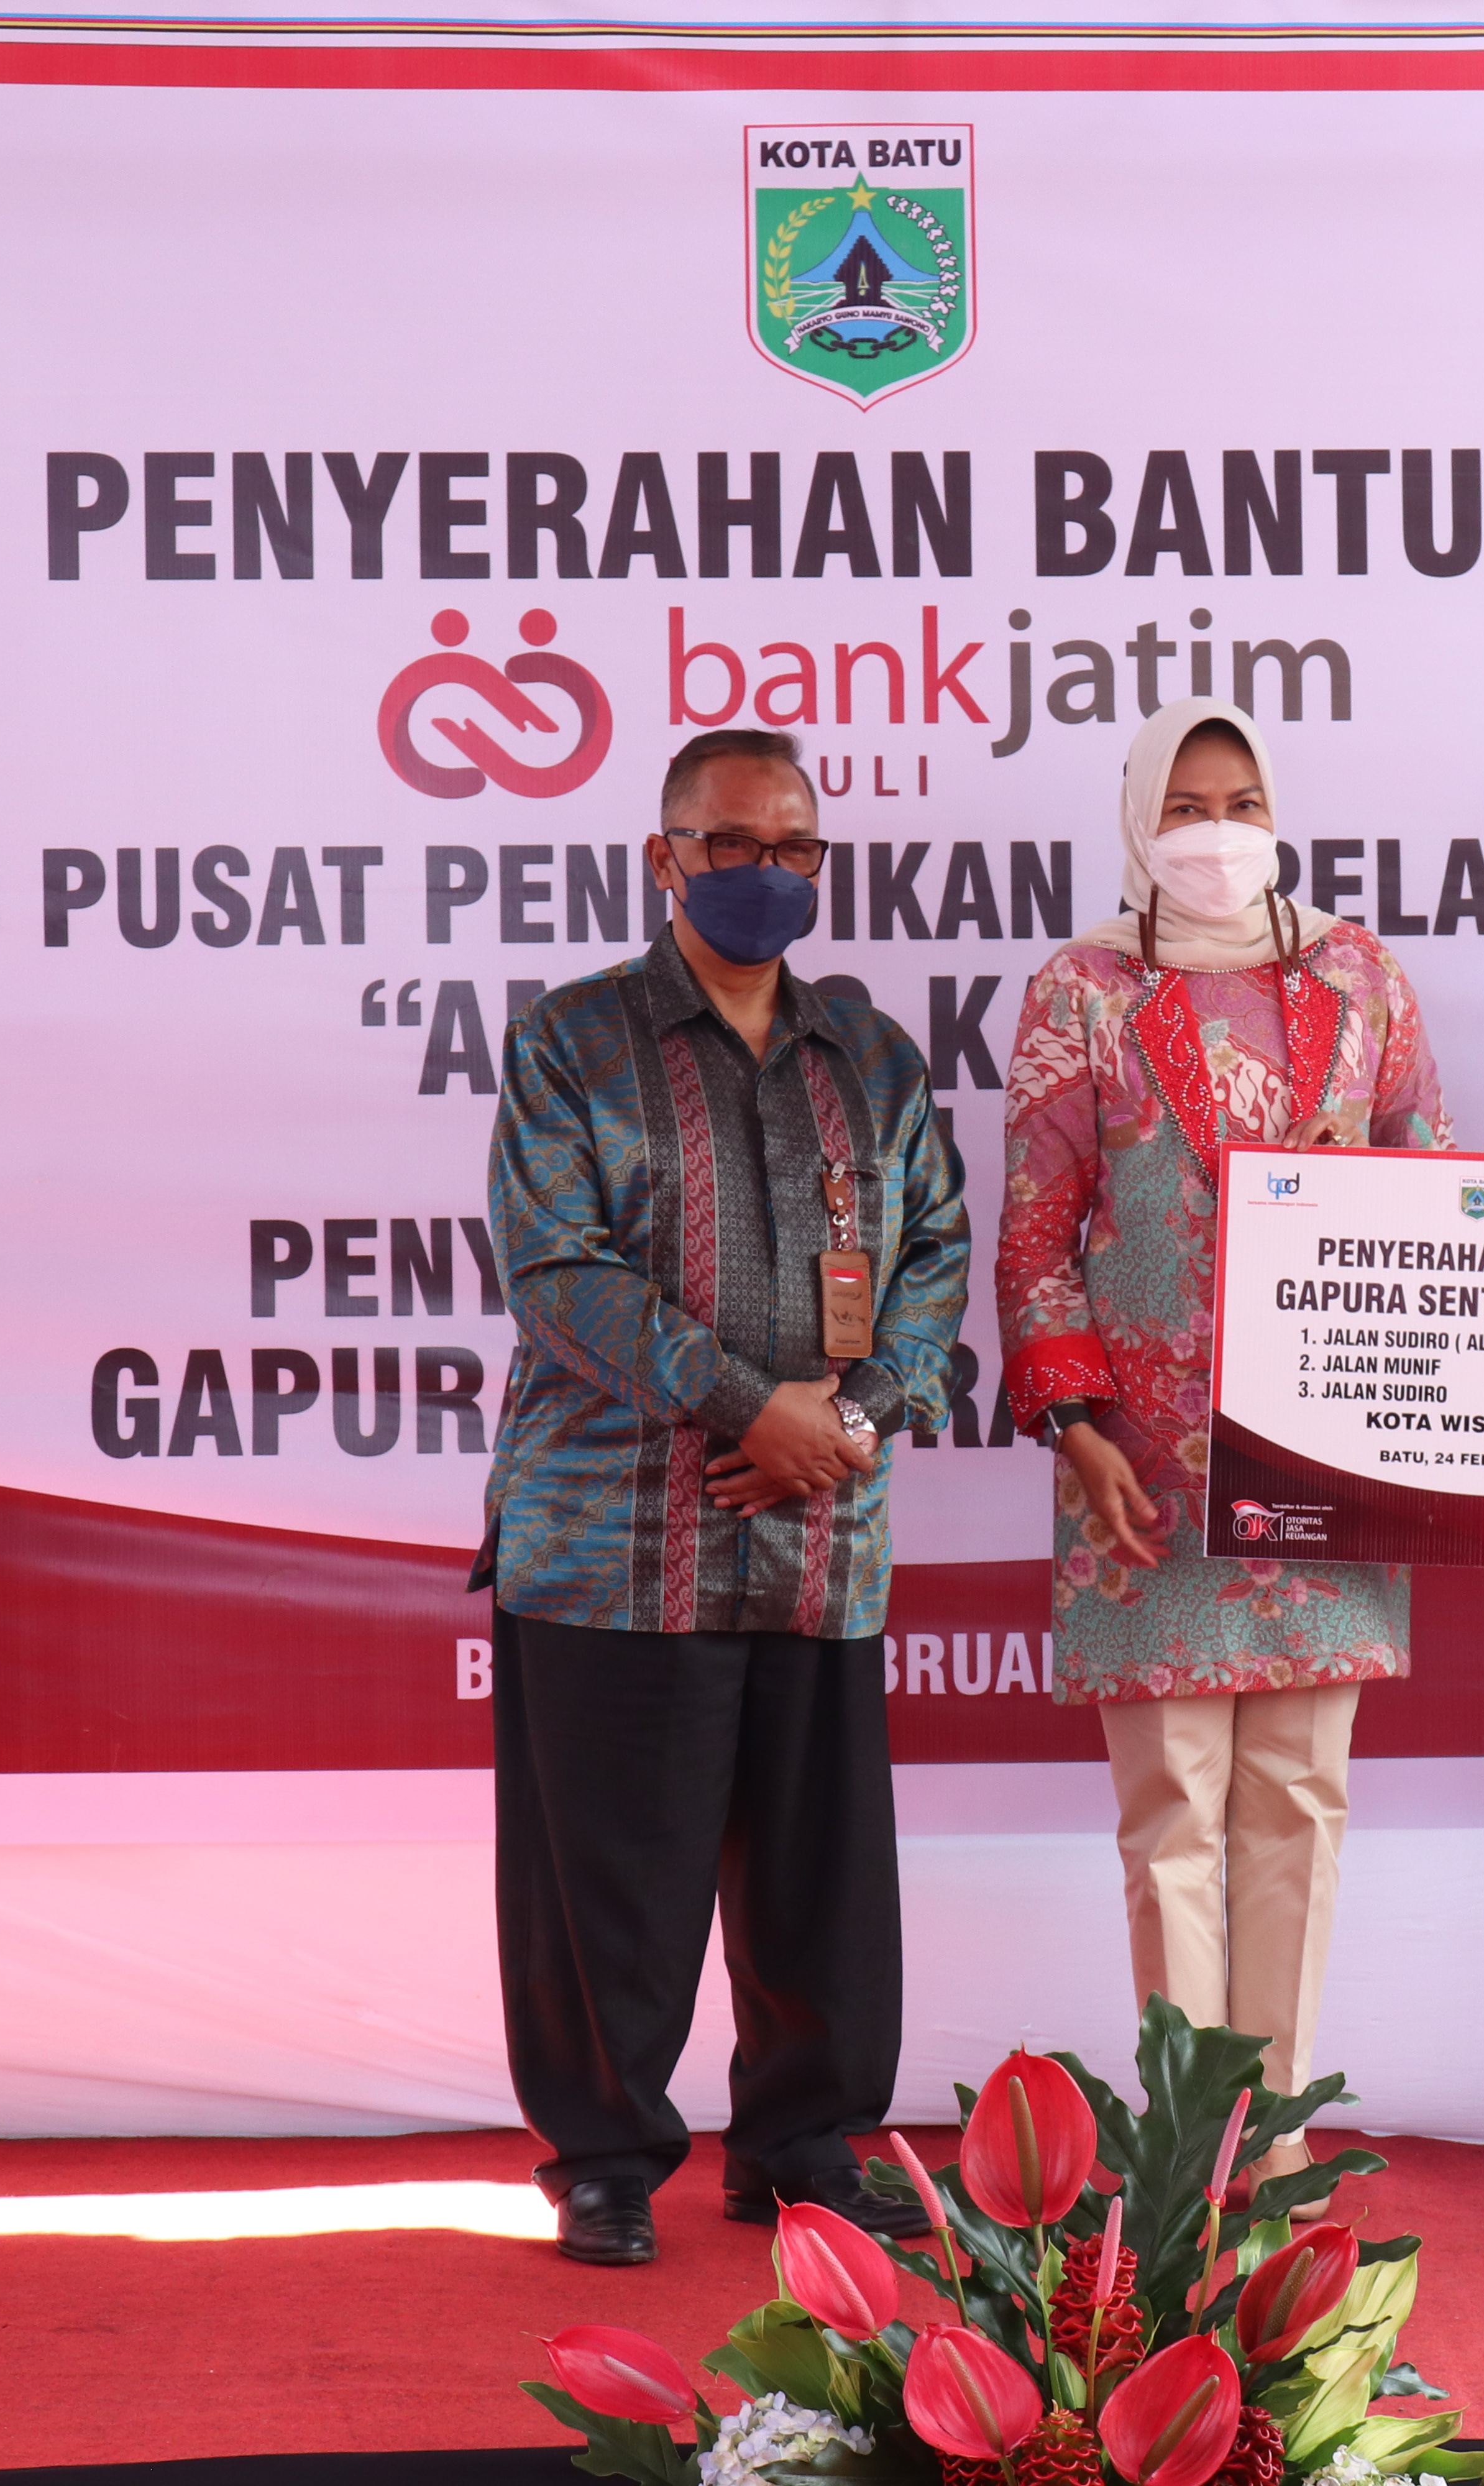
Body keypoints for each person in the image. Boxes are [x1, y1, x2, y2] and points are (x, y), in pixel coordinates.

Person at [479, 725, 968, 2267]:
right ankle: (604, 2158)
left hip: (823, 1535)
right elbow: (556, 1271)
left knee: (822, 1884)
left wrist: (854, 1417)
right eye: (733, 843)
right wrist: (752, 1403)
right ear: (664, 858)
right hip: (615, 1536)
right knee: (609, 1887)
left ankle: (802, 2148)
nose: (766, 870)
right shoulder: (573, 1041)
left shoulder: (870, 1056)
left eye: (793, 847)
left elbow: (936, 1257)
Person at [997, 697, 1452, 2196]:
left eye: (1241, 800)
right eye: (1187, 804)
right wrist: (1076, 1430)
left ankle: (1281, 2137)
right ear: (1142, 818)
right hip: (1143, 1468)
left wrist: (1364, 1179)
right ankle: (1191, 2150)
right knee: (1174, 1813)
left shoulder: (1360, 977)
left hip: (1326, 1448)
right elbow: (1036, 1230)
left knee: (1299, 1804)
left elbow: (1441, 1192)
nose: (1216, 830)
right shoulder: (1082, 988)